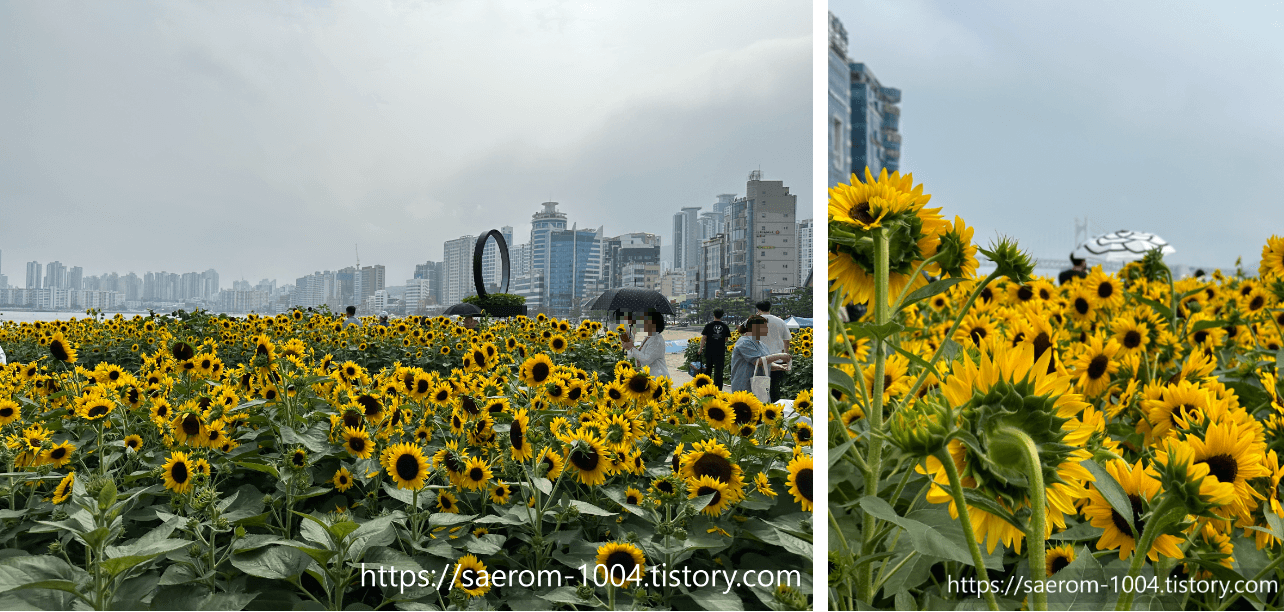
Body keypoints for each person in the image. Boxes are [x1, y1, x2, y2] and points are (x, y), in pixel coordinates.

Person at [729, 315, 791, 394]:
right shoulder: (744, 342)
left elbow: (765, 362)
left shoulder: (761, 344)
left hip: (759, 388)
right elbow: (758, 361)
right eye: (765, 327)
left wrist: (779, 367)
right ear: (756, 328)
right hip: (744, 388)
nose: (767, 329)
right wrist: (779, 356)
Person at [755, 300, 791, 402]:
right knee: (775, 387)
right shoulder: (780, 321)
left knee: (760, 387)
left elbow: (745, 337)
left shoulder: (754, 321)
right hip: (778, 359)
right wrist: (786, 355)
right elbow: (786, 341)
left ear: (758, 309)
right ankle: (776, 411)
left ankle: (762, 411)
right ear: (770, 308)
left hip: (760, 360)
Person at [623, 309, 669, 379]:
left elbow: (646, 359)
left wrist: (632, 348)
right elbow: (637, 356)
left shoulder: (656, 340)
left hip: (657, 378)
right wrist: (629, 346)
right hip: (648, 376)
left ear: (653, 323)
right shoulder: (648, 338)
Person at [699, 308, 731, 389]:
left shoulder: (709, 325)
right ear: (722, 315)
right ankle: (718, 388)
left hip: (709, 350)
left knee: (708, 369)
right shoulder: (725, 326)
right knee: (719, 370)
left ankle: (706, 387)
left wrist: (700, 349)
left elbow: (704, 338)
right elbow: (726, 339)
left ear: (713, 315)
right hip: (720, 351)